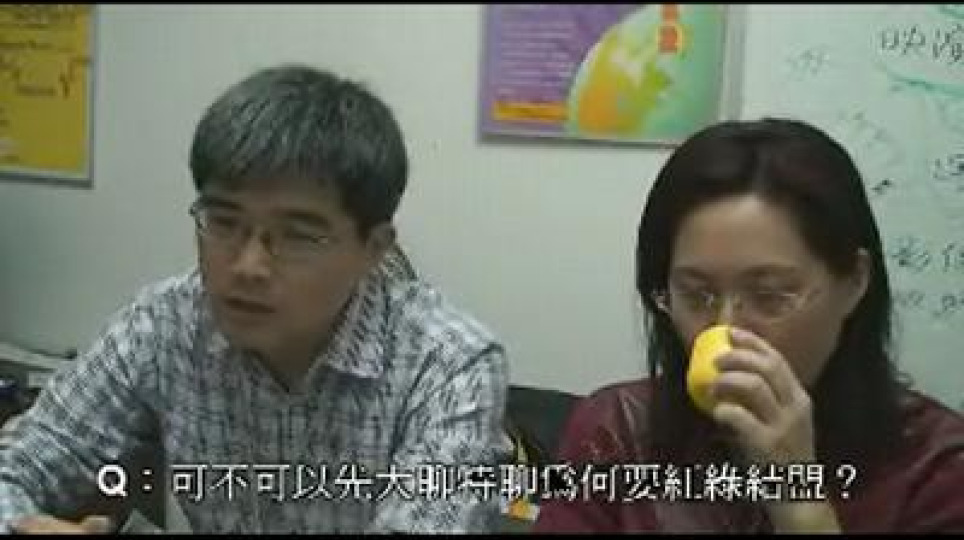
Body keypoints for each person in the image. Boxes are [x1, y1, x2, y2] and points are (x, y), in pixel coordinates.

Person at [0, 65, 511, 534]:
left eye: (298, 235)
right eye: (223, 222)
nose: (248, 265)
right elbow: (20, 462)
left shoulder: (448, 365)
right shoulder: (163, 324)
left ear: (374, 249)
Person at [533, 118, 964, 533]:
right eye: (697, 295)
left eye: (770, 295)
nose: (727, 330)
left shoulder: (938, 467)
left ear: (853, 282)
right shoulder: (616, 430)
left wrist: (799, 501)